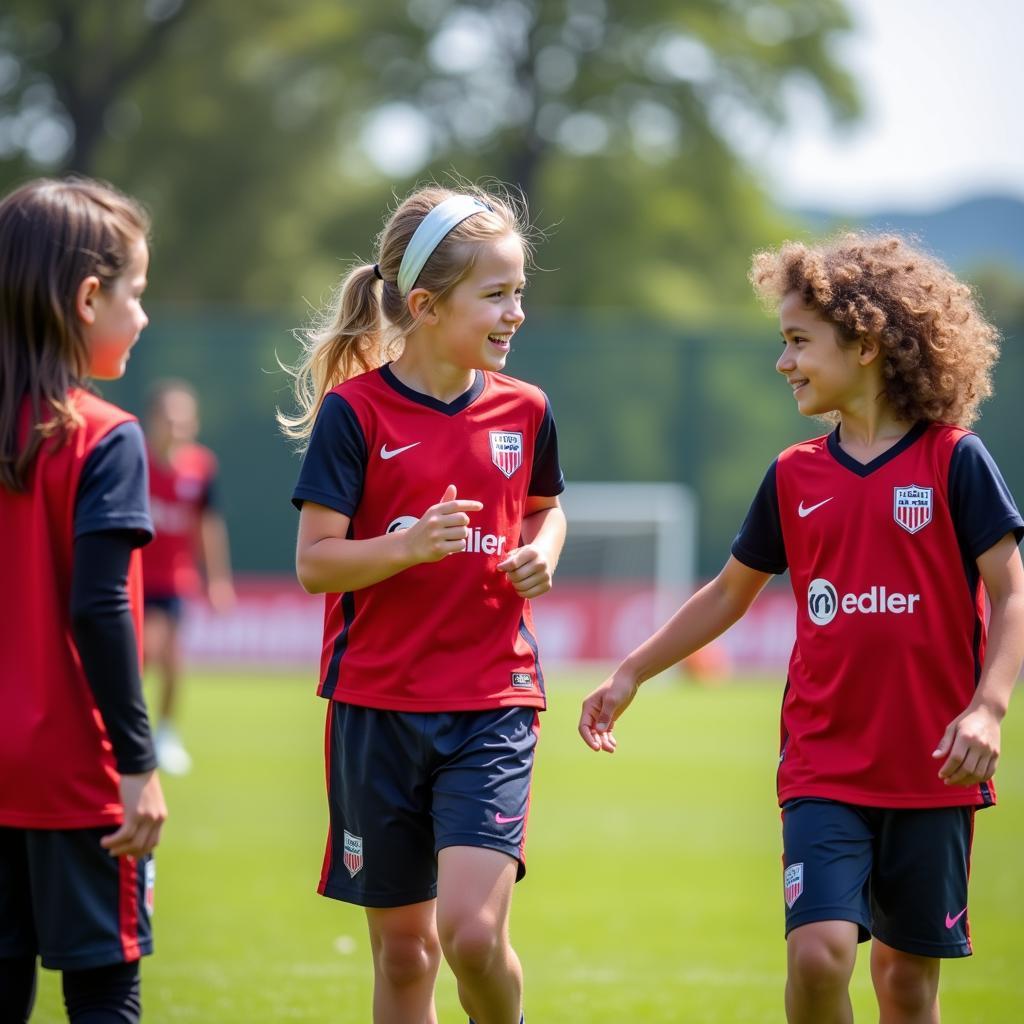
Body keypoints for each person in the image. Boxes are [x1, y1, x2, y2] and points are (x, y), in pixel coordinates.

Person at [579, 233, 1024, 1024]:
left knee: (907, 985)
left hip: (931, 769)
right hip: (823, 765)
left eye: (797, 342)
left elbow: (1011, 593)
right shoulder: (794, 475)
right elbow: (726, 594)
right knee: (818, 955)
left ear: (865, 342)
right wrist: (631, 671)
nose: (783, 363)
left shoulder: (955, 461)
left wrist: (987, 706)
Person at [280, 184, 566, 1024]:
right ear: (426, 305)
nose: (516, 311)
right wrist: (407, 545)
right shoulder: (354, 414)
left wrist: (541, 554)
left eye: (520, 291)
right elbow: (315, 565)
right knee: (406, 956)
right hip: (377, 711)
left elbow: (549, 510)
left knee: (471, 936)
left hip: (492, 706)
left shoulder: (527, 410)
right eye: (497, 294)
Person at [0, 177, 167, 1022]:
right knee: (103, 991)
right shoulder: (104, 436)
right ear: (88, 296)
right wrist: (138, 766)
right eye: (135, 294)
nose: (141, 317)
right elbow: (97, 609)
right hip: (75, 779)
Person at [143, 378, 235, 775]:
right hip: (136, 580)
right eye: (168, 419)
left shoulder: (201, 467)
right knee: (143, 654)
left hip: (175, 581)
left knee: (172, 661)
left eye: (183, 420)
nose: (176, 427)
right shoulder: (135, 462)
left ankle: (164, 736)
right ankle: (122, 733)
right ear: (153, 420)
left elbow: (207, 525)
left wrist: (217, 579)